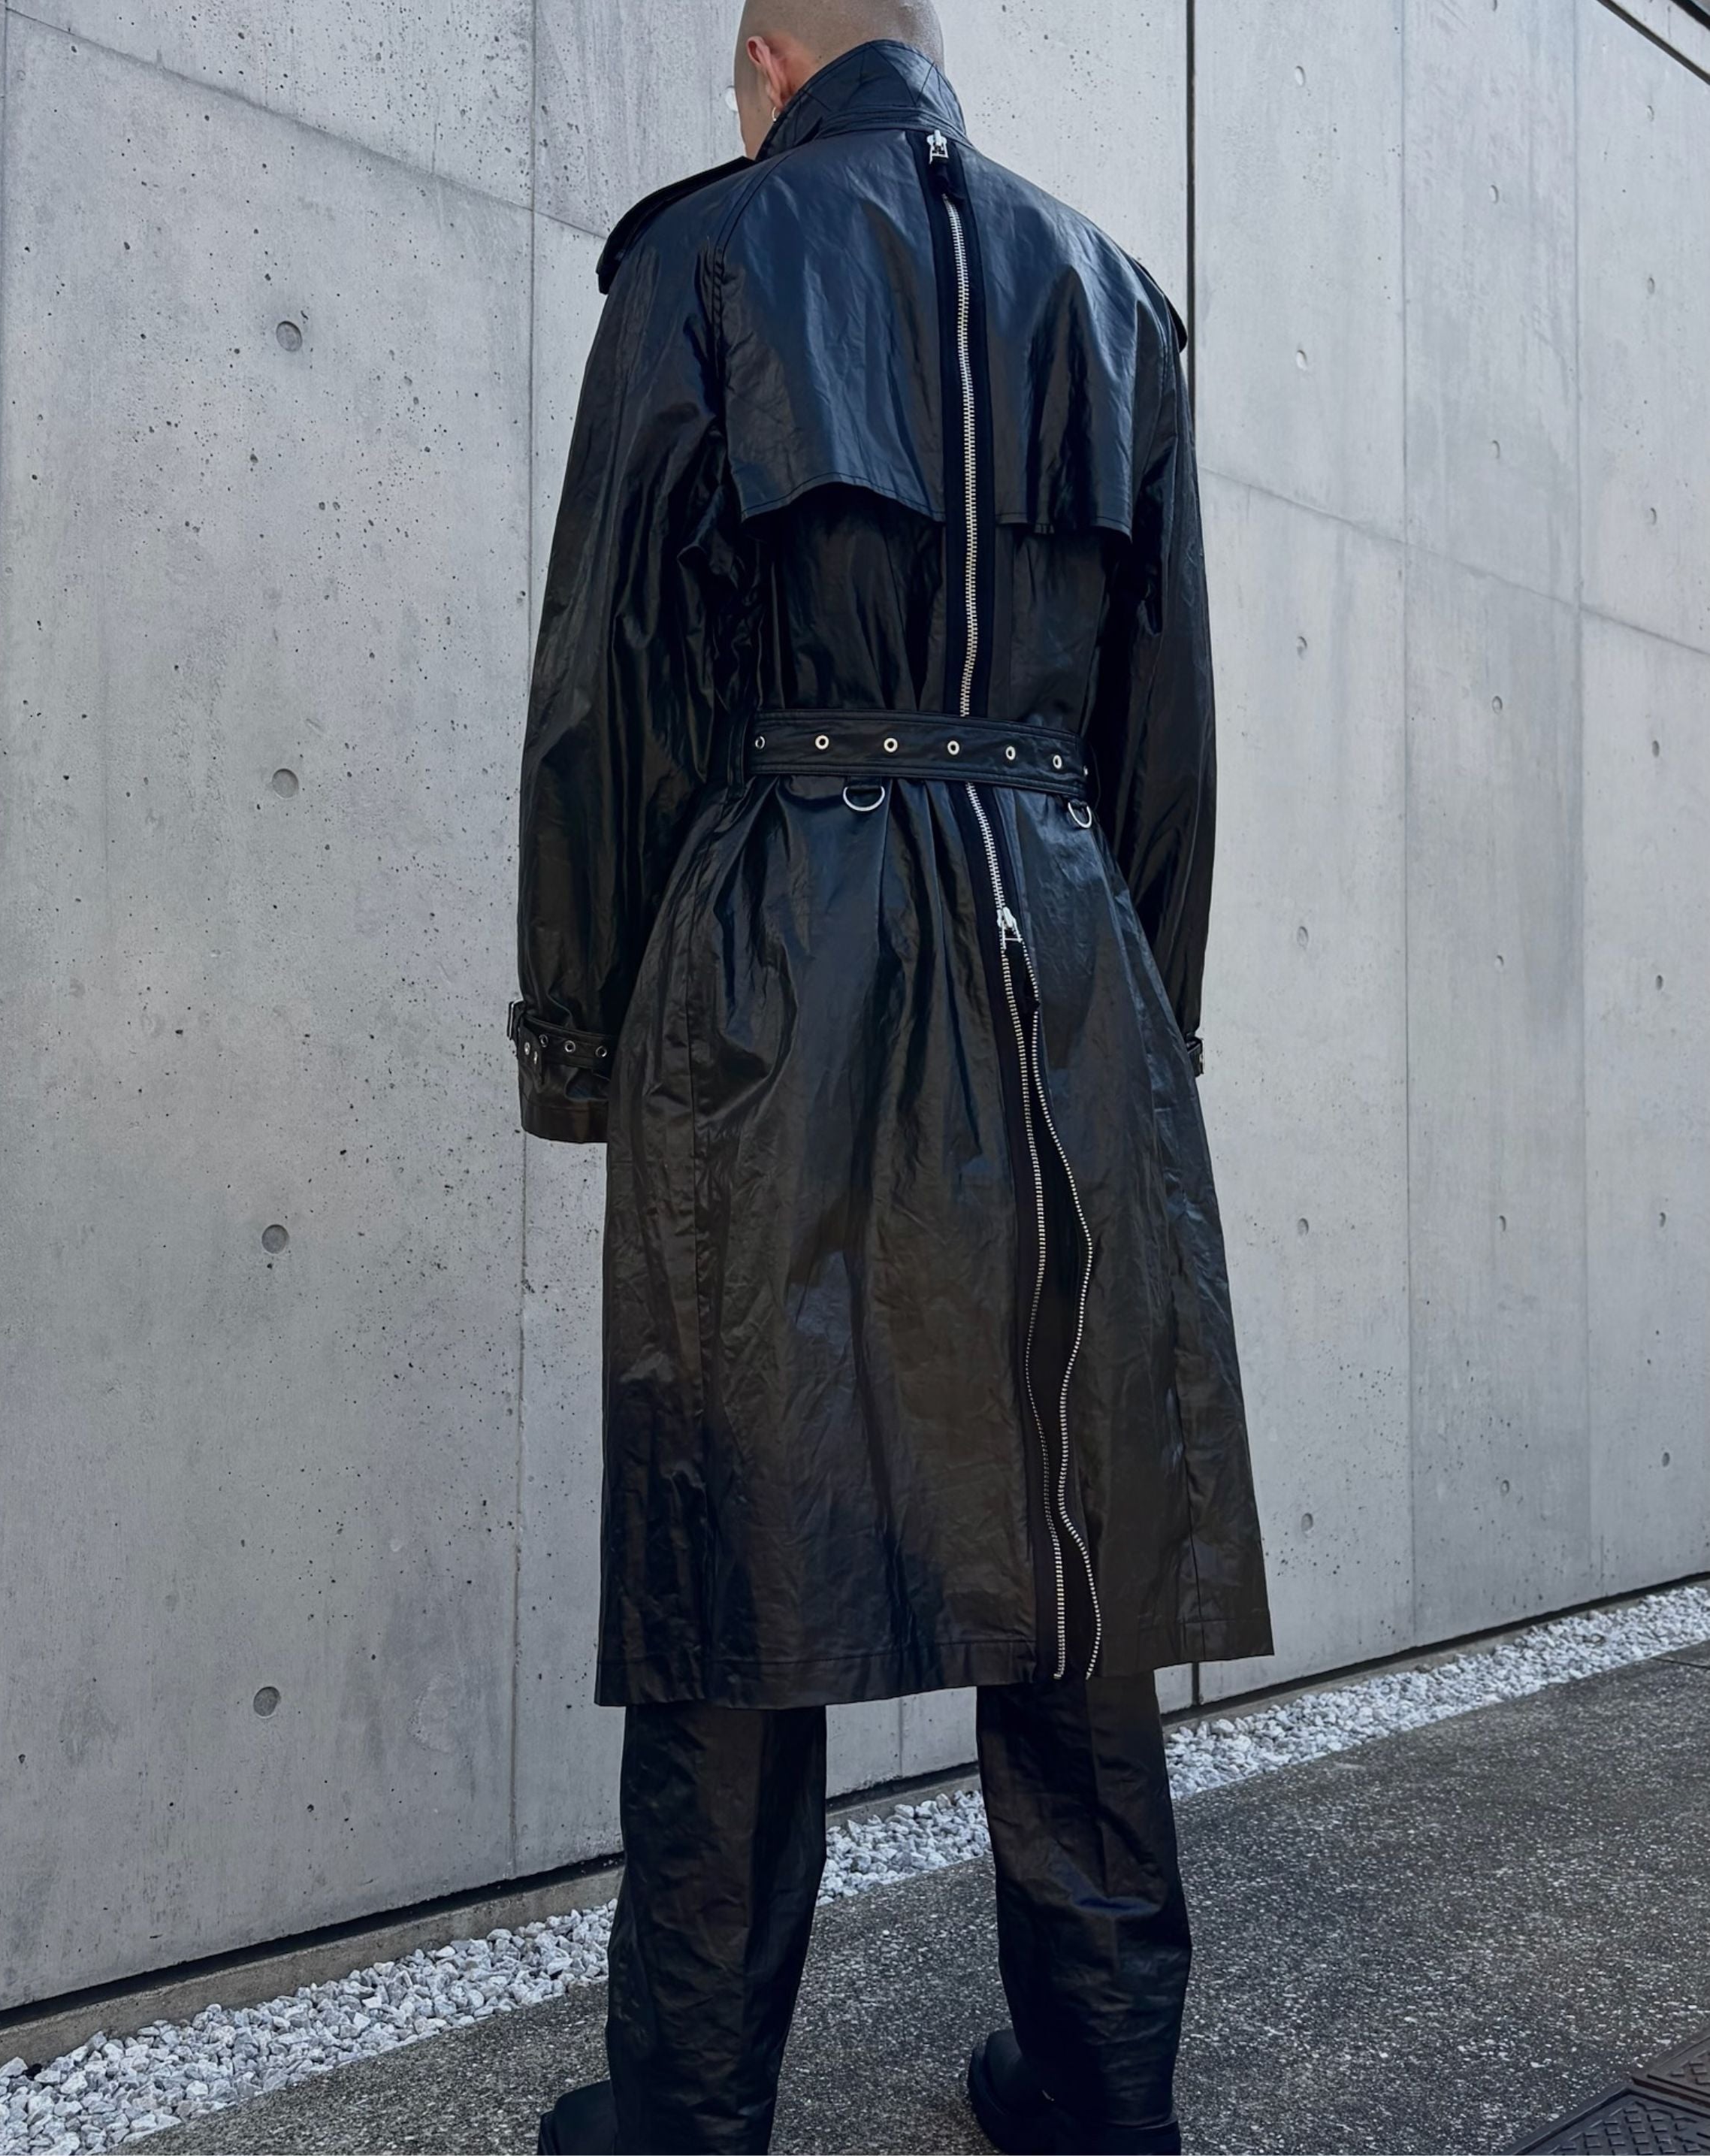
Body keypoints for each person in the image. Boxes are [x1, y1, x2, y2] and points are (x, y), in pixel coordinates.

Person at [510, 2, 1271, 2148]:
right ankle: (1106, 2099)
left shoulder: (704, 257)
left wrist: (587, 1039)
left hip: (775, 954)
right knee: (1073, 1533)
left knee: (732, 1534)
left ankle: (685, 2117)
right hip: (1065, 953)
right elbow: (1168, 726)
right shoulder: (1114, 297)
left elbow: (609, 691)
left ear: (769, 61)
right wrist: (1145, 1037)